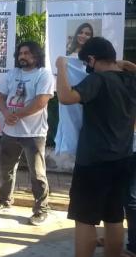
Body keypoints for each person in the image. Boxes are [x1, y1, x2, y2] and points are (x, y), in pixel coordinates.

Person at [55, 37, 136, 257]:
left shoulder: (98, 80)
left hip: (93, 162)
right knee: (114, 217)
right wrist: (127, 65)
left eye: (85, 62)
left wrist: (61, 67)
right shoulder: (130, 80)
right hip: (123, 159)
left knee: (85, 219)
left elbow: (65, 97)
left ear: (91, 59)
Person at [0, 41, 54, 226]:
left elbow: (41, 101)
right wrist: (7, 114)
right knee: (6, 169)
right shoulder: (13, 73)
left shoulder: (44, 74)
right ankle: (4, 200)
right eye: (20, 53)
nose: (22, 56)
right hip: (10, 131)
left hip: (34, 133)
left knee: (37, 173)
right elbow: (0, 96)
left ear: (36, 55)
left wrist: (17, 115)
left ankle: (41, 209)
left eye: (27, 53)